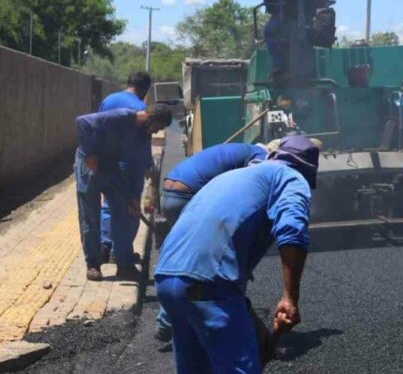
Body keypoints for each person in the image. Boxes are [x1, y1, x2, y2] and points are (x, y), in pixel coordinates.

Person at [154, 135, 319, 374]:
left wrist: (252, 322)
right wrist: (290, 298)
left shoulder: (231, 176)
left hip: (166, 280)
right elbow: (293, 233)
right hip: (206, 283)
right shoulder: (291, 177)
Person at [154, 142, 268, 341]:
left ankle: (167, 321)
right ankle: (182, 320)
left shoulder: (238, 150)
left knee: (182, 257)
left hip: (169, 193)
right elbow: (249, 185)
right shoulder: (261, 155)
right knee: (198, 263)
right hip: (187, 195)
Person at [74, 104, 173, 281]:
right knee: (90, 215)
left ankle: (124, 265)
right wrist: (90, 155)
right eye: (157, 126)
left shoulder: (143, 135)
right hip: (89, 165)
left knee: (123, 214)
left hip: (112, 168)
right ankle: (93, 264)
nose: (156, 131)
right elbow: (82, 122)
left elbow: (138, 164)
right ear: (150, 118)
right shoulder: (122, 116)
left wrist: (133, 197)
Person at [98, 71, 152, 264]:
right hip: (130, 166)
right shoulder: (141, 107)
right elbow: (144, 140)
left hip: (108, 163)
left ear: (128, 83)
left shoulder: (108, 100)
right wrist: (149, 164)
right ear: (145, 88)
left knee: (108, 205)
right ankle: (122, 253)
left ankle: (104, 246)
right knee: (130, 209)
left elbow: (99, 127)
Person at [263, 0, 316, 72]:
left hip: (281, 21)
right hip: (304, 21)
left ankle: (279, 64)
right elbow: (313, 1)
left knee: (268, 32)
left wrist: (276, 10)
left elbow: (267, 2)